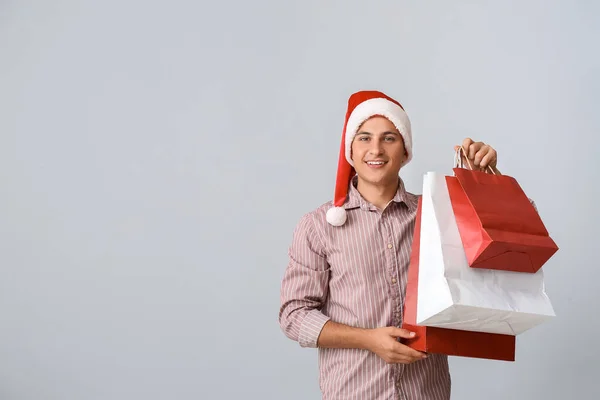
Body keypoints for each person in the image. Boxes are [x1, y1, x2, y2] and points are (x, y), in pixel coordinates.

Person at [278, 90, 500, 400]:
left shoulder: (437, 214)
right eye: (364, 138)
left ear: (406, 151)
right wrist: (368, 339)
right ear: (350, 152)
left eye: (389, 138)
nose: (376, 149)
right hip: (353, 392)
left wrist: (486, 182)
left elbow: (499, 245)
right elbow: (294, 316)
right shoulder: (317, 227)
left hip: (426, 392)